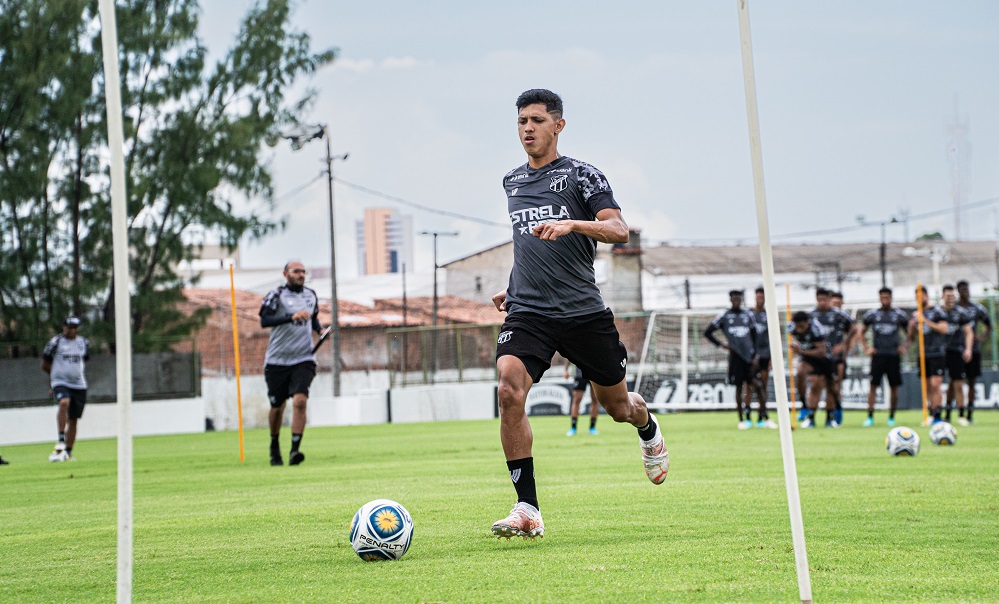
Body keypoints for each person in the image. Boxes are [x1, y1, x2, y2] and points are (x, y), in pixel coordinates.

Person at [490, 89, 668, 541]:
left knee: (616, 407)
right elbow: (526, 247)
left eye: (535, 120)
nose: (526, 128)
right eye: (520, 122)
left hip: (583, 313)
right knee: (509, 389)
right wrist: (511, 290)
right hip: (529, 311)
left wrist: (573, 223)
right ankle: (526, 507)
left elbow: (619, 230)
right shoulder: (511, 182)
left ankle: (647, 427)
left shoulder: (583, 176)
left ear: (558, 125)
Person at [259, 260, 322, 466]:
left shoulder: (311, 295)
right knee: (277, 406)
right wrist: (291, 317)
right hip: (277, 361)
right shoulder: (275, 295)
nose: (301, 274)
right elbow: (264, 321)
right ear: (285, 274)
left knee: (300, 401)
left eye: (303, 271)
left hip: (303, 358)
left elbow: (313, 319)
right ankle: (274, 445)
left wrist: (320, 330)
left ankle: (295, 450)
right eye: (296, 271)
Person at [704, 290, 760, 430]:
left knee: (755, 385)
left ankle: (756, 416)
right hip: (736, 357)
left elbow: (755, 336)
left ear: (741, 299)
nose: (736, 301)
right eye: (734, 299)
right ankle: (741, 419)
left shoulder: (748, 315)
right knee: (739, 387)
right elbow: (707, 332)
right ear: (730, 299)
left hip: (749, 357)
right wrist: (722, 345)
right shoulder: (724, 316)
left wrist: (755, 354)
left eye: (739, 299)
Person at [858, 287, 909, 427]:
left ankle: (891, 416)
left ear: (891, 298)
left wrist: (904, 346)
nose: (885, 300)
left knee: (894, 387)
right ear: (879, 298)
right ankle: (870, 416)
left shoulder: (899, 315)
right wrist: (867, 348)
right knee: (873, 385)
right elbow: (860, 332)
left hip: (893, 355)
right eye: (882, 297)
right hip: (878, 356)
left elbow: (910, 333)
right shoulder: (872, 315)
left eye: (887, 297)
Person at [42, 316, 90, 462]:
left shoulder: (83, 343)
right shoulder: (56, 342)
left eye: (75, 327)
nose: (72, 330)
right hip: (60, 381)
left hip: (79, 384)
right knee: (64, 402)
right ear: (64, 327)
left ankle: (67, 453)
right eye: (69, 327)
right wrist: (53, 381)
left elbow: (83, 361)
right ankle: (61, 438)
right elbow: (45, 364)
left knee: (74, 419)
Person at [908, 286, 955, 424]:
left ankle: (938, 414)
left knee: (936, 384)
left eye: (921, 295)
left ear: (926, 296)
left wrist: (925, 320)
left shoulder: (937, 311)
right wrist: (912, 327)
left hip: (937, 353)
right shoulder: (916, 313)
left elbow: (943, 329)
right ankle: (931, 411)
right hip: (923, 354)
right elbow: (913, 336)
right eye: (917, 296)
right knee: (927, 385)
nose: (919, 298)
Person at [809, 288, 854, 427]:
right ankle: (811, 418)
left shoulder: (840, 314)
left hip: (835, 357)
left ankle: (831, 417)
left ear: (829, 299)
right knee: (815, 385)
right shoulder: (811, 315)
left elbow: (854, 328)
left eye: (825, 299)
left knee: (833, 387)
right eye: (819, 299)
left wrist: (843, 345)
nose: (822, 302)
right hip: (818, 357)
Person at [956, 280, 991, 425]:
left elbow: (989, 325)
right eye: (962, 289)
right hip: (957, 350)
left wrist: (981, 337)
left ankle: (969, 414)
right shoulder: (954, 309)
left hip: (973, 351)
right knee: (955, 381)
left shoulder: (977, 308)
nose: (966, 292)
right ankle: (959, 413)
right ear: (958, 291)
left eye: (967, 289)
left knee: (971, 382)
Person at [789, 311, 832, 429]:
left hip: (823, 359)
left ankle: (830, 416)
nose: (800, 330)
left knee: (828, 387)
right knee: (801, 373)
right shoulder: (791, 327)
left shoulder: (817, 329)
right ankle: (805, 408)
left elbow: (822, 352)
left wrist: (801, 351)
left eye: (802, 327)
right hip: (807, 358)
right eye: (797, 327)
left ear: (807, 323)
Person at [939, 285, 974, 423]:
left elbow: (969, 332)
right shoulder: (938, 312)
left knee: (958, 383)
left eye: (953, 296)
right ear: (942, 296)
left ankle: (961, 414)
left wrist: (968, 349)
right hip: (940, 352)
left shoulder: (961, 313)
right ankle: (943, 414)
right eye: (948, 296)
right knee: (942, 383)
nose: (951, 299)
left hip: (956, 351)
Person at [749, 286, 777, 429]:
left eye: (762, 297)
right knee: (749, 385)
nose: (760, 300)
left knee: (763, 386)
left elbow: (773, 337)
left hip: (766, 354)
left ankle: (762, 417)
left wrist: (772, 358)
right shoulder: (749, 314)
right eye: (758, 297)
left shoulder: (769, 314)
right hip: (751, 356)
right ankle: (747, 417)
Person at [563, 361, 599, 436]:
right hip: (580, 373)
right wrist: (566, 369)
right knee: (576, 400)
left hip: (594, 372)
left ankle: (592, 427)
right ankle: (573, 427)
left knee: (595, 399)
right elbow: (568, 351)